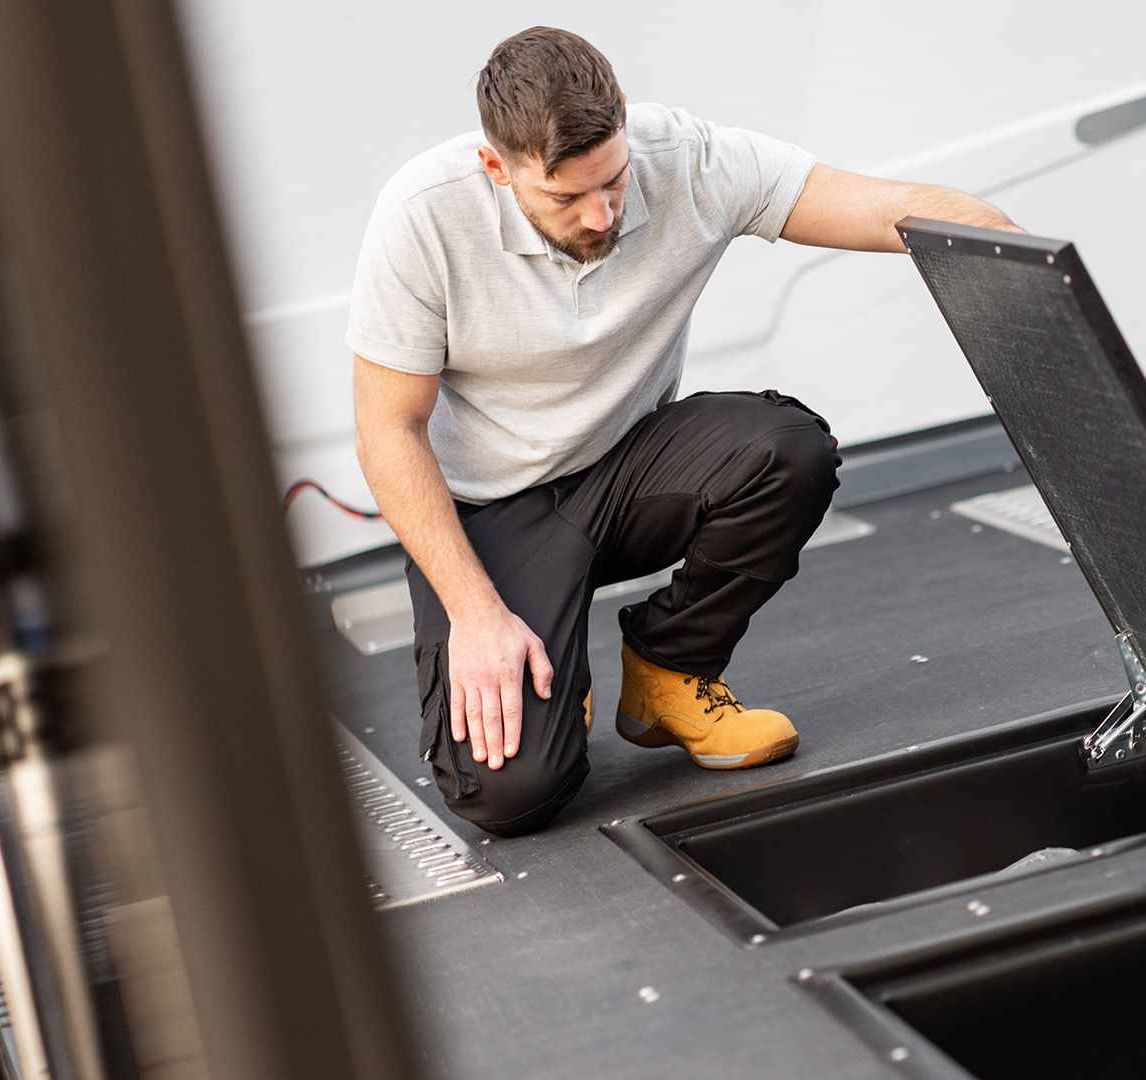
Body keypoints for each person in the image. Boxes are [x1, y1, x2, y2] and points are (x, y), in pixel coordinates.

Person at [349, 27, 1020, 836]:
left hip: (629, 473)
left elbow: (884, 209)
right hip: (495, 512)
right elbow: (390, 431)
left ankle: (669, 668)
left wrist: (1020, 259)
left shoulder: (688, 158)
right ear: (498, 166)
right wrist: (477, 614)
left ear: (625, 120)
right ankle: (550, 663)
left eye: (614, 180)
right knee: (510, 794)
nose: (601, 214)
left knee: (786, 450)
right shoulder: (424, 215)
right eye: (566, 198)